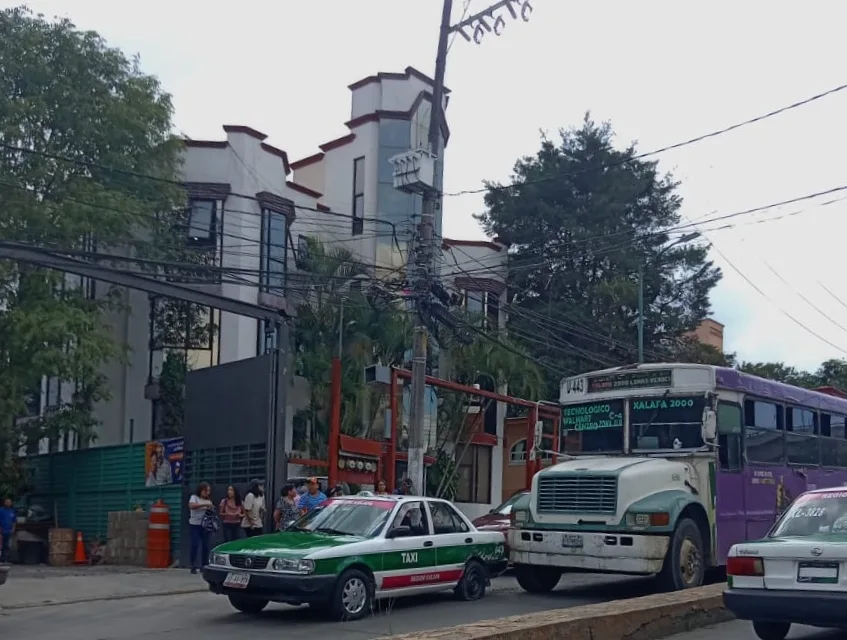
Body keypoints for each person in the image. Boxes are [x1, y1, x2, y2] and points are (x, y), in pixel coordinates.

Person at [187, 482, 213, 574]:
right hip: (194, 524)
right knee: (195, 544)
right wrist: (203, 505)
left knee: (206, 545)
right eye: (205, 490)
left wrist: (210, 507)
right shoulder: (194, 497)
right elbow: (191, 506)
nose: (207, 493)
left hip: (204, 525)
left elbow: (211, 510)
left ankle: (204, 565)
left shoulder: (208, 500)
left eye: (208, 491)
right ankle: (193, 565)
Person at [0, 497, 16, 563]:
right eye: (7, 501)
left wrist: (13, 529)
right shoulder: (1, 510)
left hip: (9, 531)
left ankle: (5, 559)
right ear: (4, 503)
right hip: (1, 531)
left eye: (9, 502)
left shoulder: (12, 511)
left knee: (7, 545)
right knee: (1, 545)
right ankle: (2, 559)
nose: (8, 503)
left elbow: (14, 521)